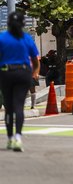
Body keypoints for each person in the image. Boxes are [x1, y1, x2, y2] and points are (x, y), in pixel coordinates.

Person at [0, 10, 40, 152]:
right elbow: (35, 60)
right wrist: (35, 72)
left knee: (9, 107)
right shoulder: (27, 38)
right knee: (19, 105)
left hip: (6, 73)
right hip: (24, 73)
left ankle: (10, 138)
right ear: (23, 23)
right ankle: (18, 137)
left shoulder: (2, 37)